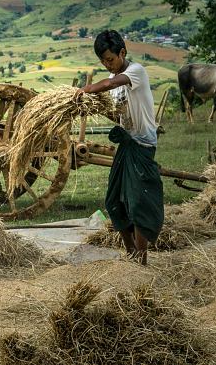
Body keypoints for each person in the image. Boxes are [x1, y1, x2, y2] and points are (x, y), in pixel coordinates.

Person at [75, 29, 164, 265]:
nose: (107, 65)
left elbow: (109, 83)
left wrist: (84, 90)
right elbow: (120, 113)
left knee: (138, 203)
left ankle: (141, 260)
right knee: (114, 200)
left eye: (110, 59)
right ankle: (131, 252)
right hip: (126, 146)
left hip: (142, 146)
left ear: (122, 52)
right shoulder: (116, 85)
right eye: (103, 61)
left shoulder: (136, 72)